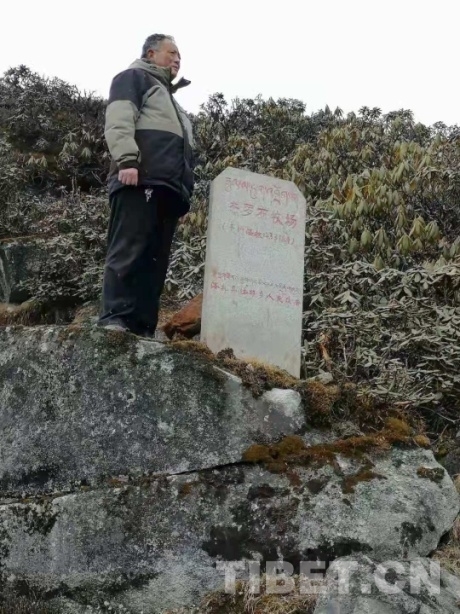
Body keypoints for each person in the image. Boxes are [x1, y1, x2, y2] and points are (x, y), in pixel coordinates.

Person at [98, 34, 194, 337]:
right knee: (129, 248)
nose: (177, 59)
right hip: (139, 179)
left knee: (155, 260)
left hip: (168, 188)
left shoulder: (171, 99)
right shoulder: (134, 78)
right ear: (151, 53)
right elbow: (119, 119)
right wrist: (127, 160)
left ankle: (142, 327)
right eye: (172, 53)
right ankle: (115, 319)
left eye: (180, 56)